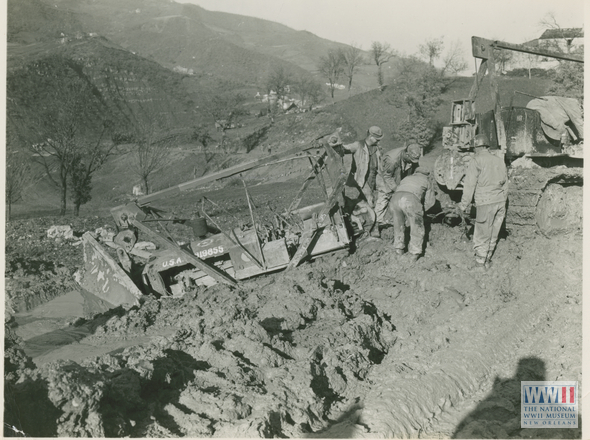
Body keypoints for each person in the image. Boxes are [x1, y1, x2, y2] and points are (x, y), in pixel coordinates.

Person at [458, 133, 508, 267]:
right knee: (494, 231)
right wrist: (503, 200)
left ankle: (480, 263)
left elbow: (469, 185)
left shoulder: (476, 160)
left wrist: (463, 205)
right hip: (500, 201)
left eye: (474, 147)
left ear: (478, 147)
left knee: (482, 232)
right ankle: (488, 257)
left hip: (485, 201)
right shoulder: (498, 160)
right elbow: (505, 183)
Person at [341, 126, 384, 238]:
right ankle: (374, 229)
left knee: (368, 201)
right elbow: (345, 148)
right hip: (361, 179)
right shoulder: (358, 145)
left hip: (373, 178)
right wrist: (335, 145)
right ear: (370, 136)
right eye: (376, 138)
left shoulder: (376, 148)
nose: (378, 141)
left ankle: (366, 223)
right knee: (370, 201)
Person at [390, 167, 436, 261]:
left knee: (398, 225)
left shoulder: (406, 178)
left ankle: (399, 249)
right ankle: (414, 253)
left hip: (394, 199)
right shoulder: (426, 181)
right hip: (409, 199)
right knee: (417, 227)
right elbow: (430, 202)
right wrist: (422, 212)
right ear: (428, 175)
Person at [374, 143, 422, 231]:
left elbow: (415, 169)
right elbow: (387, 176)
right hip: (385, 177)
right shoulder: (392, 159)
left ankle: (398, 219)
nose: (412, 162)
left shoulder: (411, 155)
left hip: (399, 174)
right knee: (384, 197)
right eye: (411, 160)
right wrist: (396, 189)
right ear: (407, 154)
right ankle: (377, 223)